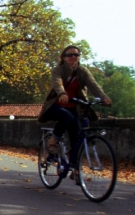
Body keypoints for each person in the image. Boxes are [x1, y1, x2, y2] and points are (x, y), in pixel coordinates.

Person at [37, 45, 111, 182]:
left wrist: (103, 97)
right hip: (57, 105)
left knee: (77, 137)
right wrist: (62, 93)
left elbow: (93, 85)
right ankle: (53, 140)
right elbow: (58, 83)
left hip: (75, 107)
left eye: (76, 55)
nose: (73, 57)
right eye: (70, 55)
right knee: (67, 117)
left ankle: (75, 167)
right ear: (64, 58)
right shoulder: (58, 70)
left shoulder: (82, 71)